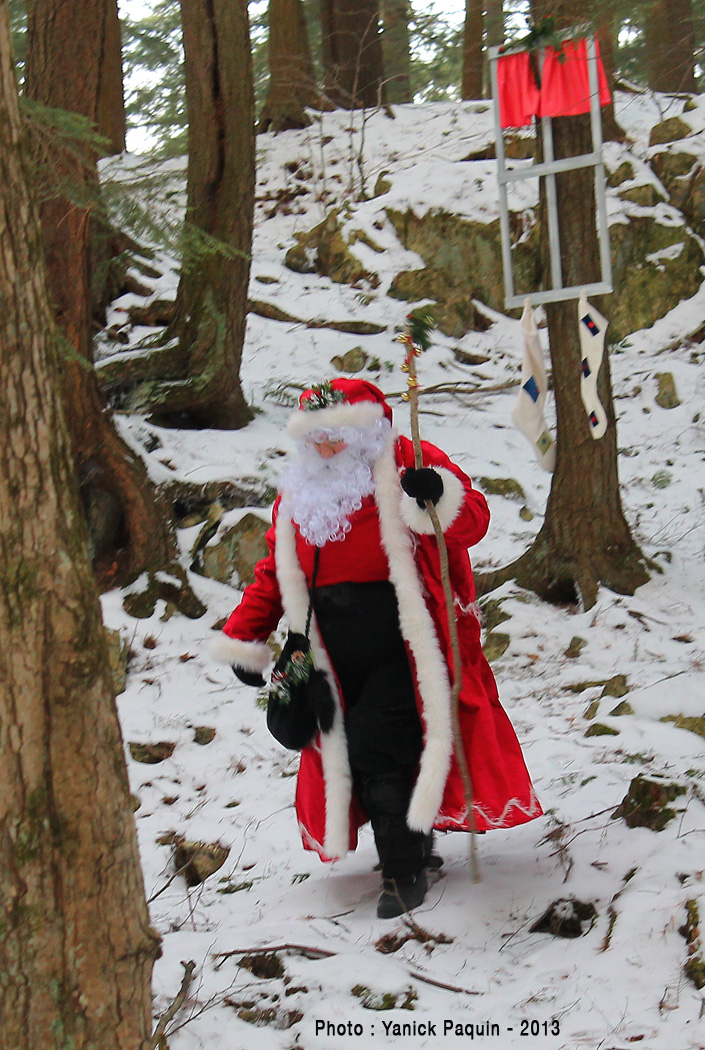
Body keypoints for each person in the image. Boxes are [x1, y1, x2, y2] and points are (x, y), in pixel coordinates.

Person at [211, 378, 542, 918]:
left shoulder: (406, 458)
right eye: (314, 438)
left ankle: (402, 871)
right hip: (329, 653)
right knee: (353, 751)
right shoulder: (298, 488)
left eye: (335, 436)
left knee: (375, 747)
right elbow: (276, 569)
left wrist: (436, 495)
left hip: (403, 641)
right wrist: (245, 636)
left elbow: (473, 521)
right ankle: (413, 849)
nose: (324, 449)